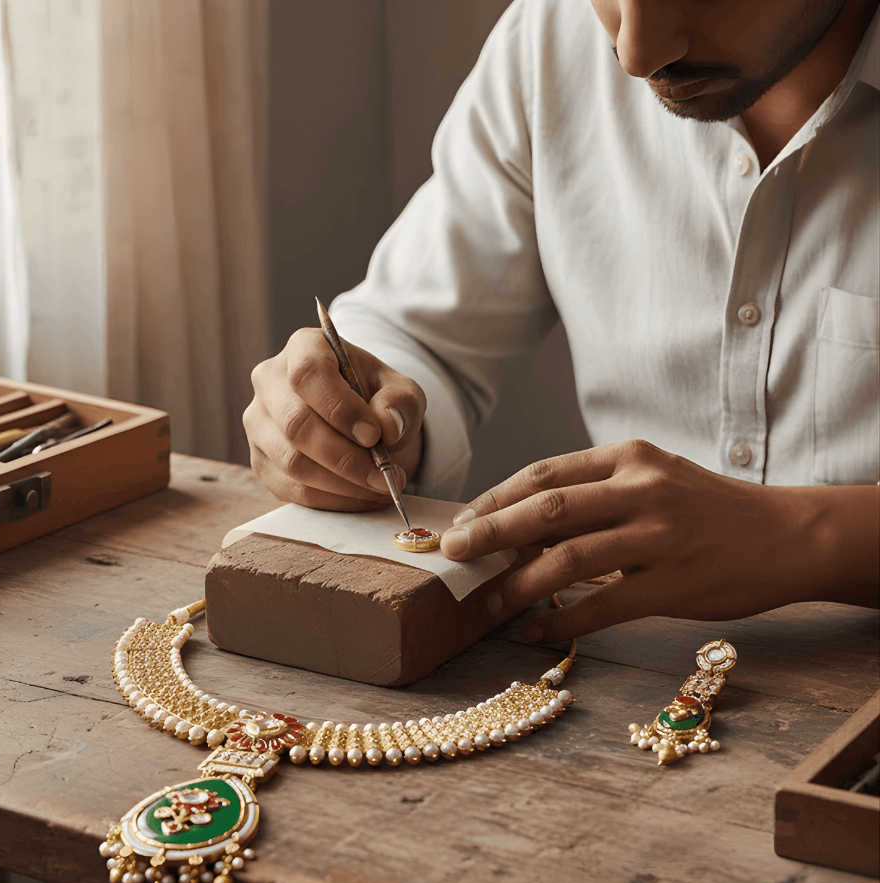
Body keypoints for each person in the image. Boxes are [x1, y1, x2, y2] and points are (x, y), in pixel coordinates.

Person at [243, 0, 879, 642]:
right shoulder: (551, 34)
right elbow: (417, 331)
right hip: (628, 670)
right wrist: (358, 406)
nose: (636, 56)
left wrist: (806, 537)